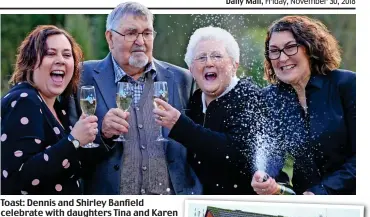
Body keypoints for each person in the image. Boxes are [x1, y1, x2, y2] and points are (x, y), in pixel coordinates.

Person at [69, 2, 201, 195]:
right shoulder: (81, 77)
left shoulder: (183, 79)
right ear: (110, 38)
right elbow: (68, 150)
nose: (141, 41)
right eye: (131, 33)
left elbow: (197, 143)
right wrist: (103, 136)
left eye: (147, 33)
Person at [152, 26, 264, 195]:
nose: (209, 63)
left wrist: (180, 125)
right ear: (191, 69)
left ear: (234, 65)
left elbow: (235, 151)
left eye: (217, 56)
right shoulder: (195, 100)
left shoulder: (249, 96)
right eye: (201, 58)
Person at [252, 15, 356, 195]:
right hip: (304, 204)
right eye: (274, 51)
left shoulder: (347, 85)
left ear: (310, 48)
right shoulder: (269, 99)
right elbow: (276, 161)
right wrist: (271, 183)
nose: (282, 58)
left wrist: (321, 191)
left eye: (290, 47)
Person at [1, 25, 98, 195]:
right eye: (50, 53)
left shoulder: (57, 108)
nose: (60, 60)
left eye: (67, 55)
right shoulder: (25, 100)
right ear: (31, 62)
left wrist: (106, 136)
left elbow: (69, 166)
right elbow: (19, 178)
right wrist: (74, 140)